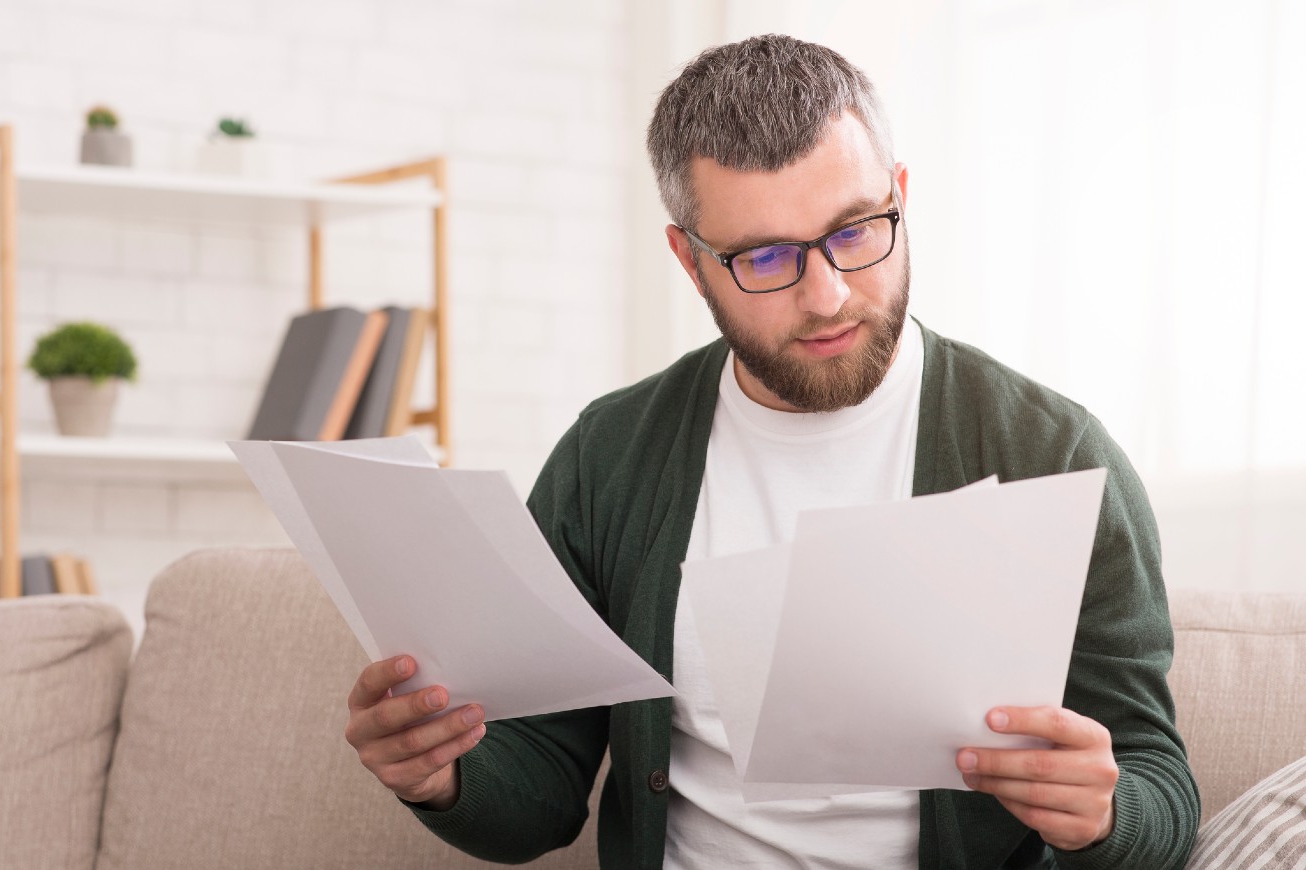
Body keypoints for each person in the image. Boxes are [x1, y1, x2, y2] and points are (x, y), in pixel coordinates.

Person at [343, 34, 1199, 869]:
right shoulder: (609, 454)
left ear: (900, 196)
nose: (826, 296)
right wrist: (443, 777)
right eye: (765, 257)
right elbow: (542, 785)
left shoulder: (1054, 454)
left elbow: (1159, 787)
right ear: (690, 261)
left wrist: (1103, 816)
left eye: (856, 232)